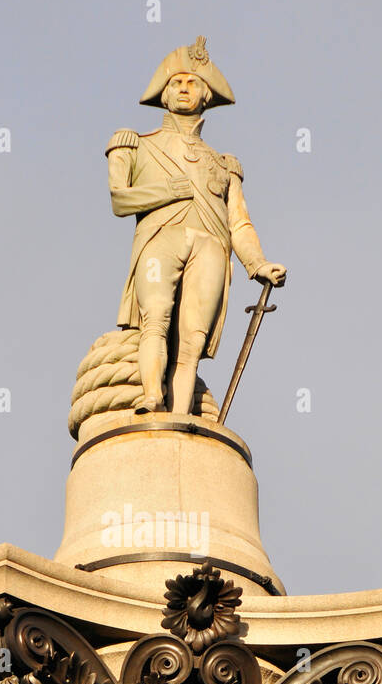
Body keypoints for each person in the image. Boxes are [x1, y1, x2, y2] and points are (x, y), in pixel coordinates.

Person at [106, 36, 286, 416]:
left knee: (192, 340)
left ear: (206, 95)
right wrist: (166, 190)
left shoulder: (224, 165)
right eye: (176, 82)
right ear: (163, 93)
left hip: (210, 247)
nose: (184, 89)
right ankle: (152, 397)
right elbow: (120, 200)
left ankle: (180, 413)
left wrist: (257, 264)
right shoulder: (135, 144)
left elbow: (239, 223)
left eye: (192, 83)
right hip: (160, 238)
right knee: (155, 317)